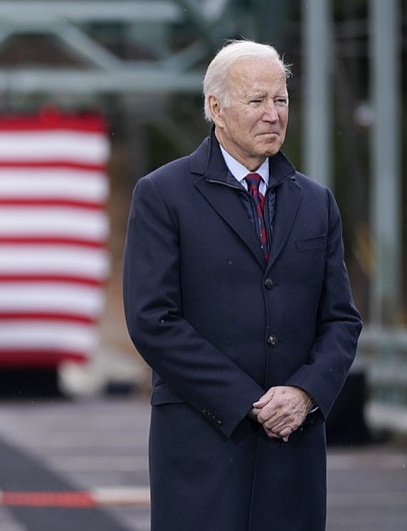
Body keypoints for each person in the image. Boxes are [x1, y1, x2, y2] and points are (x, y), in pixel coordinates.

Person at [122, 40, 362, 530]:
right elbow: (153, 320)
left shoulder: (317, 203)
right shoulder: (162, 195)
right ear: (217, 109)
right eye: (257, 101)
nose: (273, 114)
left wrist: (304, 394)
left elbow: (340, 319)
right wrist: (248, 402)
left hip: (293, 454)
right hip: (203, 450)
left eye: (281, 100)